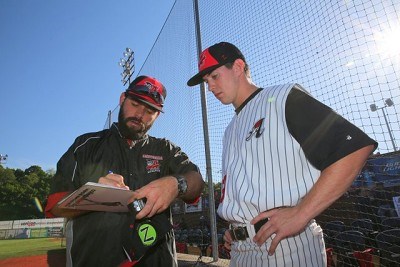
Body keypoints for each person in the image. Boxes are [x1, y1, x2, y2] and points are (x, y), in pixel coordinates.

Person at [187, 42, 377, 266]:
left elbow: (353, 149)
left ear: (238, 67)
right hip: (241, 250)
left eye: (214, 76)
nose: (210, 87)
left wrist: (302, 212)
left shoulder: (282, 97)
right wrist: (237, 229)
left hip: (285, 246)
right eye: (206, 81)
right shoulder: (230, 130)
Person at [45, 75, 204, 267]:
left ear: (157, 115)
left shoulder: (166, 150)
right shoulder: (85, 146)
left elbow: (196, 182)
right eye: (135, 104)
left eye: (150, 111)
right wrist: (94, 196)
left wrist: (176, 184)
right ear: (122, 99)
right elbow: (54, 206)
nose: (140, 115)